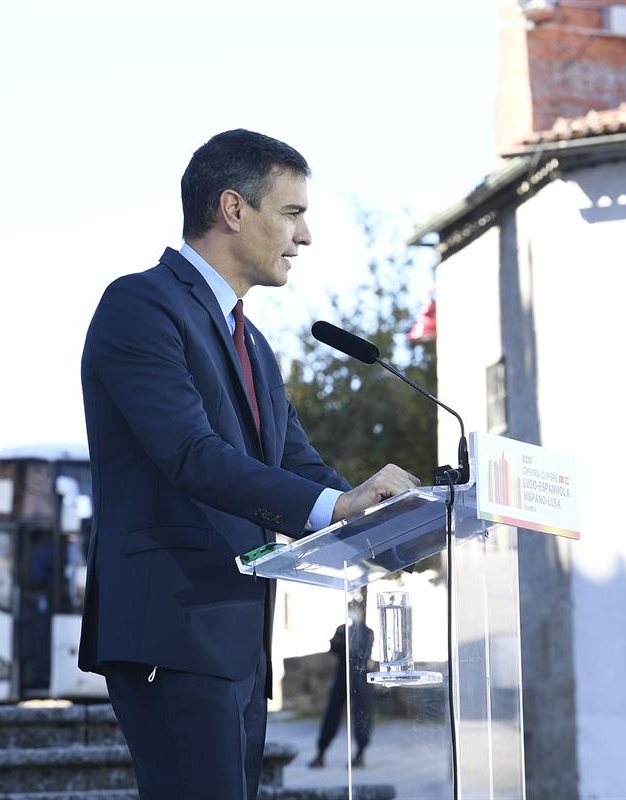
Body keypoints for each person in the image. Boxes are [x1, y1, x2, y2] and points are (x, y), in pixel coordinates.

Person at [78, 129, 419, 800]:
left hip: (236, 639)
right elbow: (192, 456)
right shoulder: (140, 306)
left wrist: (386, 513)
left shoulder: (254, 341)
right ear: (234, 210)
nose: (307, 236)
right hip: (171, 635)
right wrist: (336, 508)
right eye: (292, 213)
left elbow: (297, 464)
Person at [308, 598, 375, 769]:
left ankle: (360, 754)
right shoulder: (342, 629)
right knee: (332, 715)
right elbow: (335, 648)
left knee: (362, 716)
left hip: (360, 679)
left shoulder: (366, 632)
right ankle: (321, 753)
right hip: (342, 677)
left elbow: (362, 651)